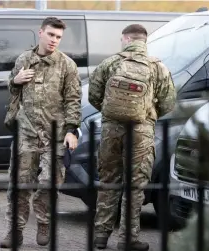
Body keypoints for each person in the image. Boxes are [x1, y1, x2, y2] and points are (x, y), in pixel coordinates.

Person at [88, 24, 176, 250]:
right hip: (141, 131)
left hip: (111, 130)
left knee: (109, 180)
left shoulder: (110, 63)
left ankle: (100, 235)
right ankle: (127, 238)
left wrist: (113, 113)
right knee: (135, 186)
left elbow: (94, 96)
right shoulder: (158, 67)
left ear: (125, 39)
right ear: (144, 42)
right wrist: (147, 114)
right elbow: (168, 103)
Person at [0, 17, 82, 248]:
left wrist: (71, 130)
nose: (54, 40)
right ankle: (14, 231)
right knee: (19, 184)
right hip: (27, 133)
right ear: (41, 33)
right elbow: (13, 91)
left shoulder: (67, 65)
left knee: (49, 183)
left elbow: (73, 100)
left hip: (54, 136)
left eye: (58, 37)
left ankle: (44, 222)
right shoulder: (24, 59)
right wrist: (15, 81)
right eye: (51, 35)